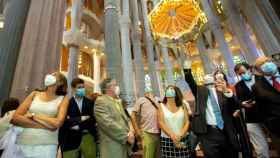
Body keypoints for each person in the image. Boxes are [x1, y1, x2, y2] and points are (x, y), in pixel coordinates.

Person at [184, 60, 239, 158]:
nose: (207, 77)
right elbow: (190, 81)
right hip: (208, 133)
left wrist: (226, 90)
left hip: (226, 131)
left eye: (210, 76)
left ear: (214, 79)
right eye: (205, 77)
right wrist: (187, 68)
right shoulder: (200, 92)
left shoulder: (222, 89)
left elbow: (234, 105)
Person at [12, 73, 69, 158]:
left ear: (60, 83)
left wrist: (34, 116)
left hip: (46, 145)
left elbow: (58, 123)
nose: (50, 76)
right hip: (23, 142)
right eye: (51, 74)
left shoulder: (63, 99)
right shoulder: (34, 94)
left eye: (54, 75)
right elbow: (15, 118)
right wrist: (47, 126)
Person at [234, 63, 269, 158]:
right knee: (260, 148)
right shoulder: (238, 86)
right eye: (239, 74)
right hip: (251, 118)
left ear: (249, 69)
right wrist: (243, 104)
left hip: (268, 114)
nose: (242, 75)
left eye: (243, 72)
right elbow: (239, 100)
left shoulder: (260, 79)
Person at [94, 78, 134, 158]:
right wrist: (126, 136)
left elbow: (126, 119)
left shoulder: (116, 101)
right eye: (115, 85)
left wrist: (131, 130)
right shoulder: (100, 101)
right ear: (108, 88)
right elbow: (108, 124)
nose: (117, 87)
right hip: (112, 147)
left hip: (124, 145)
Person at [59, 78, 97, 158]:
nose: (82, 89)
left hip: (88, 137)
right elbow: (65, 121)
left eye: (83, 87)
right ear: (73, 89)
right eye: (79, 87)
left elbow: (92, 120)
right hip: (70, 140)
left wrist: (79, 126)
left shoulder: (90, 102)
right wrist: (81, 118)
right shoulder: (67, 103)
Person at [253, 56, 280, 155]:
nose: (267, 64)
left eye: (268, 61)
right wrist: (269, 125)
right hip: (277, 128)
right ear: (259, 70)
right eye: (262, 64)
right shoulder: (257, 86)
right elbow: (261, 109)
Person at [158, 85, 192, 158]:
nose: (170, 92)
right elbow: (161, 122)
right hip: (167, 140)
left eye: (172, 90)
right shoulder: (161, 106)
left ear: (176, 93)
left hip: (182, 138)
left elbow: (187, 122)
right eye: (168, 90)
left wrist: (180, 136)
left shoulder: (183, 105)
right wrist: (172, 136)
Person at [131, 87, 160, 158]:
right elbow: (132, 115)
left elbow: (163, 112)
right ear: (144, 93)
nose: (149, 92)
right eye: (147, 91)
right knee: (148, 155)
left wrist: (153, 99)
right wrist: (137, 130)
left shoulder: (158, 100)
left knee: (158, 155)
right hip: (147, 133)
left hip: (159, 133)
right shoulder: (141, 100)